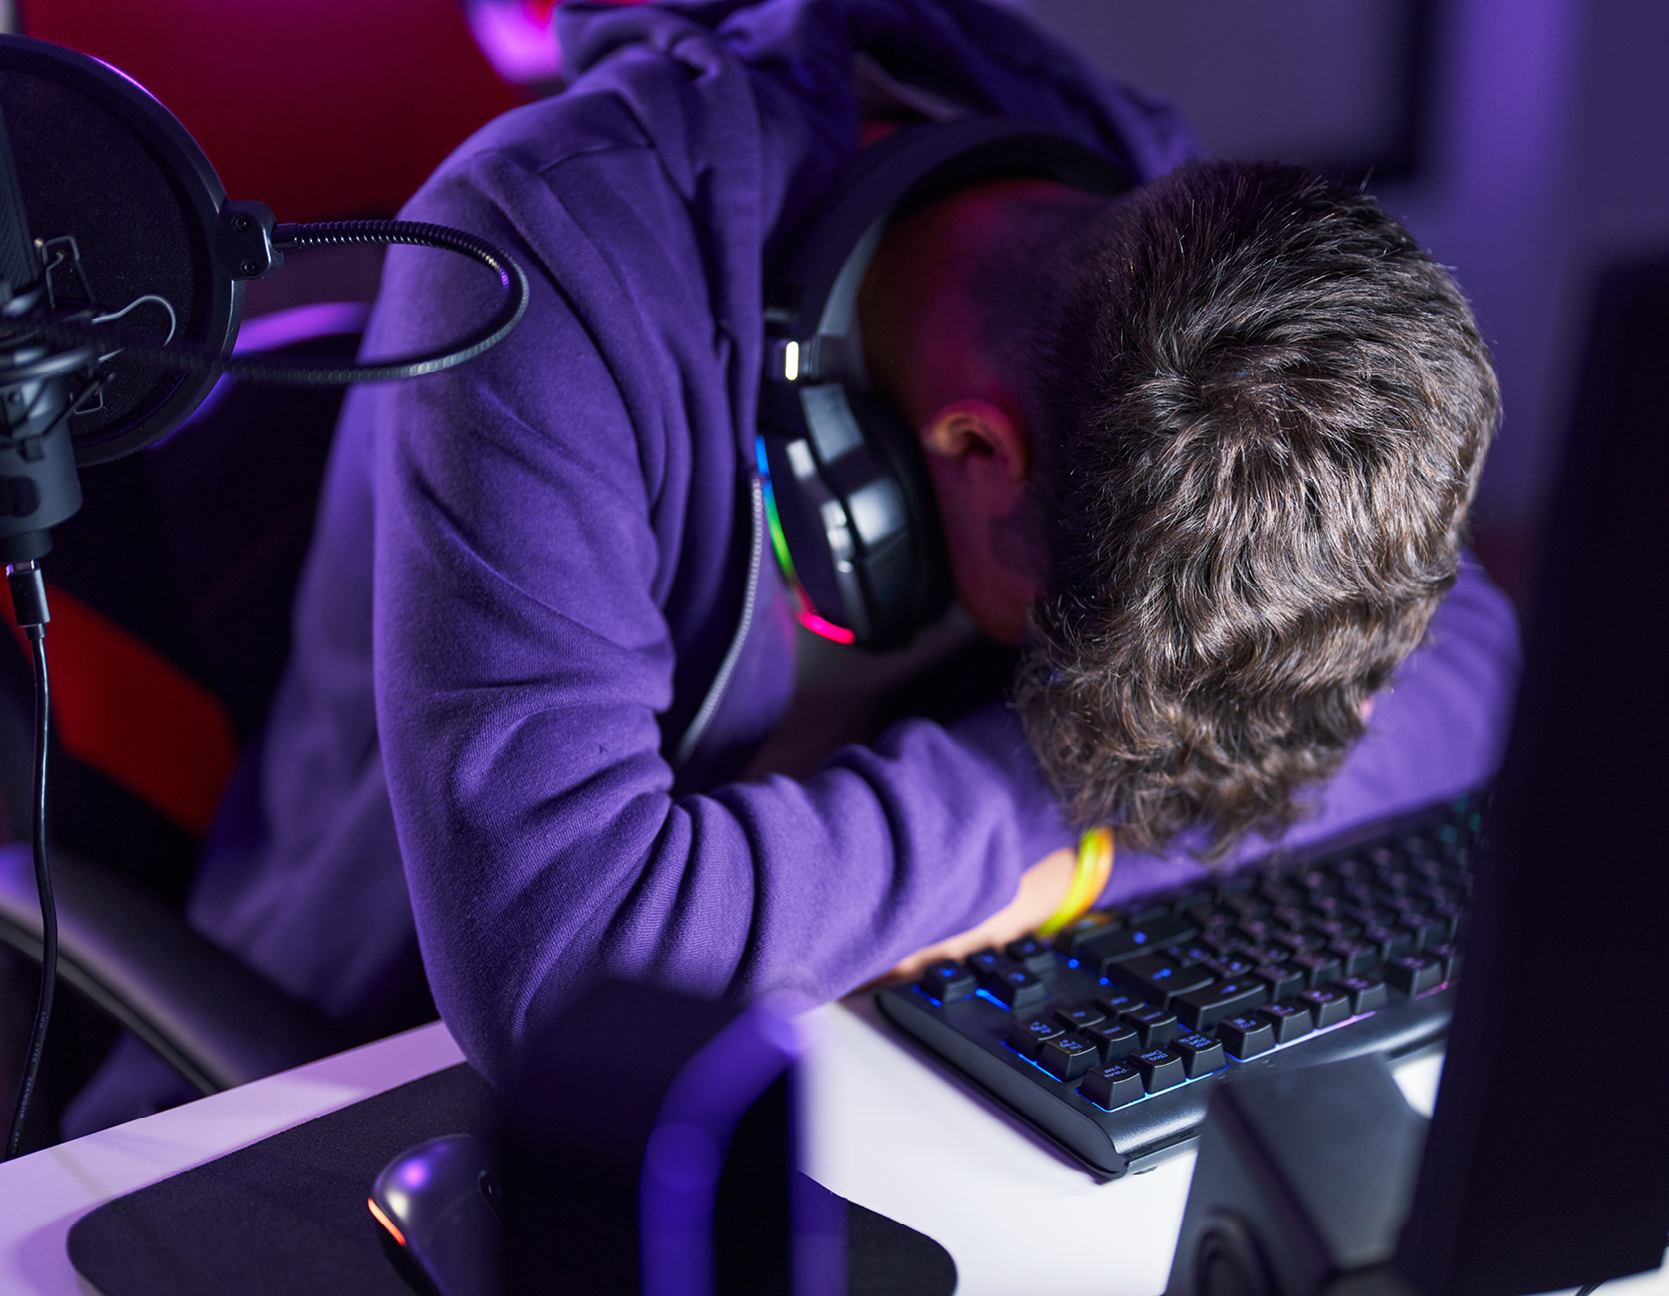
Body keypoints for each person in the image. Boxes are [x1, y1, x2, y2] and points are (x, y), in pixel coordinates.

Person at [65, 0, 1517, 1130]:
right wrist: (1073, 792)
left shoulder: (1174, 263)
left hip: (847, 1033)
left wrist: (1078, 846)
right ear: (974, 445)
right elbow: (570, 964)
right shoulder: (545, 258)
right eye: (1065, 646)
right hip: (363, 1091)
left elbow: (1473, 668)